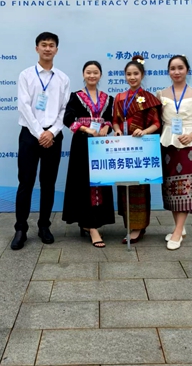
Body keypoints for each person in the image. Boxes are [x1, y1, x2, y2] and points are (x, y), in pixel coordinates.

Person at [11, 32, 70, 250]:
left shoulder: (63, 78)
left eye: (51, 45)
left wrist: (51, 132)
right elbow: (24, 106)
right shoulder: (26, 75)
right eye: (43, 45)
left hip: (53, 136)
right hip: (30, 134)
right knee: (25, 182)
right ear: (37, 48)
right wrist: (40, 133)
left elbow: (64, 110)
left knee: (48, 183)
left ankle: (44, 225)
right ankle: (20, 229)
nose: (47, 48)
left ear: (56, 50)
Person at [156, 55, 192, 250]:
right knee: (171, 188)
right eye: (172, 68)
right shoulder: (161, 94)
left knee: (185, 187)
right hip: (167, 144)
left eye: (180, 68)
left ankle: (177, 231)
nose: (176, 72)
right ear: (168, 71)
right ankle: (180, 227)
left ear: (187, 70)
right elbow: (157, 121)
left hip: (188, 146)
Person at [62, 61, 115, 247]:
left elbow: (110, 119)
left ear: (100, 75)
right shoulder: (75, 96)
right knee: (83, 182)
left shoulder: (108, 98)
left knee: (99, 181)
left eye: (95, 72)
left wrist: (106, 127)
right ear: (83, 75)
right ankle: (90, 226)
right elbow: (68, 119)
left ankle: (94, 222)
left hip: (100, 144)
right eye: (88, 72)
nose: (92, 75)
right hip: (82, 143)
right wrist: (86, 129)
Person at [113, 56, 161, 243]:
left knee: (139, 187)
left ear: (142, 75)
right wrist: (117, 131)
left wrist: (144, 131)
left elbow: (157, 123)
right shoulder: (119, 98)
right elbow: (115, 121)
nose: (132, 77)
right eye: (129, 74)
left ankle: (139, 227)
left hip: (141, 147)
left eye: (136, 74)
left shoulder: (149, 98)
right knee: (125, 186)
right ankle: (129, 224)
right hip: (123, 147)